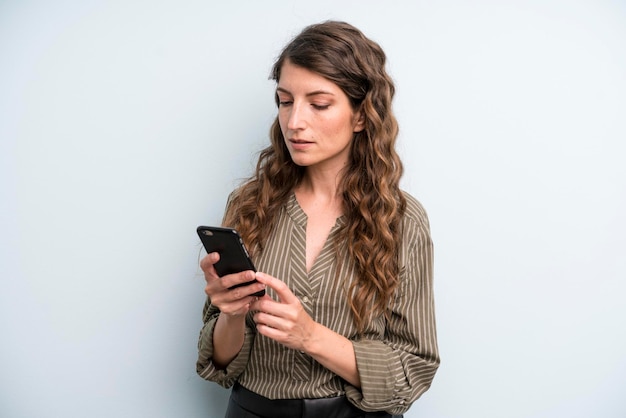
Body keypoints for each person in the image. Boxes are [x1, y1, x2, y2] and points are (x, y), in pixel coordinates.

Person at [197, 20, 439, 418]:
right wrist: (231, 314)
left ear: (361, 115)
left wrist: (312, 337)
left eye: (319, 103)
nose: (294, 122)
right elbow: (219, 363)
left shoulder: (402, 219)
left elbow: (413, 368)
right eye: (285, 100)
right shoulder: (249, 205)